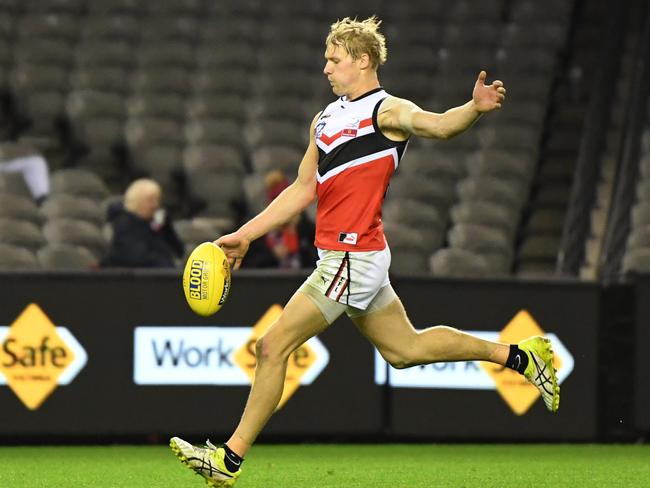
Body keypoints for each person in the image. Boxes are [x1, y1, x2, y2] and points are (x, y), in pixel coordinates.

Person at [170, 17, 560, 487]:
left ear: (363, 60)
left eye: (334, 59)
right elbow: (300, 190)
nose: (326, 68)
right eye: (326, 59)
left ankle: (228, 461)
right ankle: (521, 356)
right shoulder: (325, 119)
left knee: (272, 347)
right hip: (354, 256)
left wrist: (472, 109)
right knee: (405, 349)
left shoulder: (387, 110)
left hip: (351, 257)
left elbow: (438, 127)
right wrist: (245, 234)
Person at [104, 178, 183, 268]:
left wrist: (166, 227)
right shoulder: (124, 225)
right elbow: (137, 257)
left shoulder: (156, 224)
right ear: (136, 201)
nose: (155, 205)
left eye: (157, 200)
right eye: (150, 200)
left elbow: (179, 251)